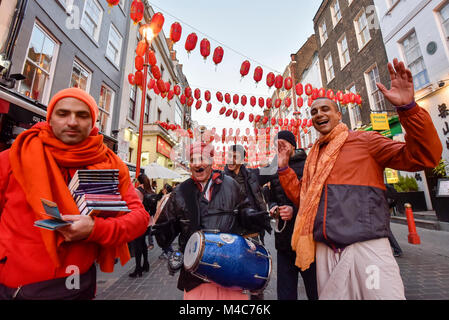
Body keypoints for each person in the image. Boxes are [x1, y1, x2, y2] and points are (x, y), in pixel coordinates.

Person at [277, 59, 442, 299]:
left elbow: (422, 157)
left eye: (325, 109)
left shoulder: (365, 141)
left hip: (367, 248)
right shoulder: (313, 154)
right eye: (313, 112)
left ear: (338, 113)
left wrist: (409, 109)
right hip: (326, 252)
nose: (318, 114)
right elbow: (305, 198)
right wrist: (284, 170)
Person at [0, 88, 149, 299]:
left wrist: (96, 229)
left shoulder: (109, 165)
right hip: (15, 286)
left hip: (77, 284)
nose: (72, 122)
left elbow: (139, 218)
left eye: (82, 115)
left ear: (93, 122)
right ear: (50, 117)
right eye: (63, 113)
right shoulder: (13, 157)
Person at [153, 141, 272, 300]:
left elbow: (243, 209)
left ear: (211, 161)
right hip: (196, 276)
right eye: (193, 160)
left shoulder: (230, 184)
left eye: (201, 158)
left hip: (230, 267)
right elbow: (164, 238)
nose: (197, 164)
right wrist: (161, 226)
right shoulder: (181, 191)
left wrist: (252, 216)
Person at [265, 131, 318, 300]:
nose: (279, 148)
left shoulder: (309, 164)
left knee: (315, 290)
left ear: (293, 145)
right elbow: (271, 195)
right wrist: (273, 207)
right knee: (285, 293)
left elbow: (314, 197)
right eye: (276, 145)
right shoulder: (273, 167)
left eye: (283, 144)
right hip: (284, 242)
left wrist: (294, 209)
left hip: (307, 239)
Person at [224, 144, 269, 300]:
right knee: (233, 273)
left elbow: (275, 171)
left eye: (235, 156)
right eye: (229, 155)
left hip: (253, 231)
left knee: (256, 274)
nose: (231, 159)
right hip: (231, 232)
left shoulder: (253, 175)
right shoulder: (220, 179)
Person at [129, 173, 155, 277]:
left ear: (139, 181)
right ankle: (146, 264)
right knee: (143, 243)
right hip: (149, 222)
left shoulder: (137, 191)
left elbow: (135, 206)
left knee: (137, 245)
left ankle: (138, 269)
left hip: (139, 221)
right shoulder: (150, 190)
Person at [385, 183, 403, 257]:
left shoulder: (381, 189)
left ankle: (397, 249)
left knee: (386, 230)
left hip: (383, 211)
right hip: (388, 210)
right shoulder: (387, 188)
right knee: (386, 229)